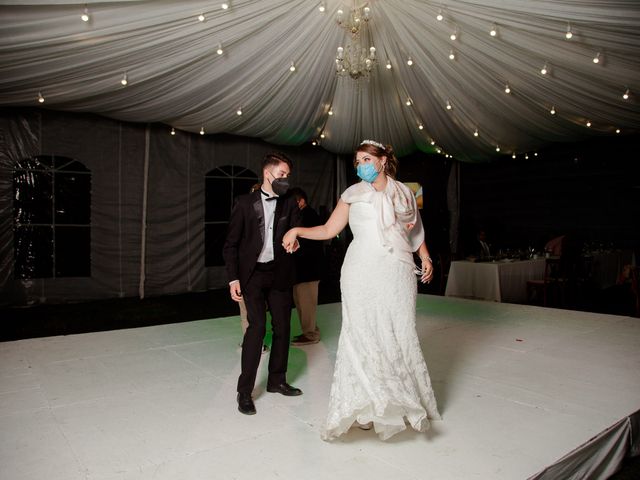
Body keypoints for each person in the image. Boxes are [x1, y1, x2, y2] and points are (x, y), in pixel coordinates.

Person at [283, 140, 441, 441]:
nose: (362, 165)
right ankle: (368, 406)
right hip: (361, 270)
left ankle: (400, 402)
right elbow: (329, 230)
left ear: (383, 161)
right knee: (363, 335)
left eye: (367, 159)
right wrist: (297, 230)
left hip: (397, 270)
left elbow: (414, 229)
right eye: (358, 161)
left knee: (399, 333)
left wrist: (425, 256)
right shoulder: (352, 194)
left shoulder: (404, 192)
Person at [223, 152, 303, 416]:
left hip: (279, 273)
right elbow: (231, 245)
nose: (285, 180)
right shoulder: (244, 203)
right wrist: (233, 278)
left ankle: (277, 381)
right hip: (252, 276)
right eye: (282, 175)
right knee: (256, 328)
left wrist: (295, 241)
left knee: (283, 327)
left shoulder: (290, 202)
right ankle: (244, 391)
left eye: (287, 176)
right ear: (268, 174)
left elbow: (295, 231)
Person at [288, 187, 323, 346]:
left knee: (307, 303)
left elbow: (308, 244)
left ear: (301, 201)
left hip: (308, 270)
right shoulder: (304, 215)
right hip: (302, 270)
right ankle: (308, 332)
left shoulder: (309, 216)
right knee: (302, 303)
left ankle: (311, 334)